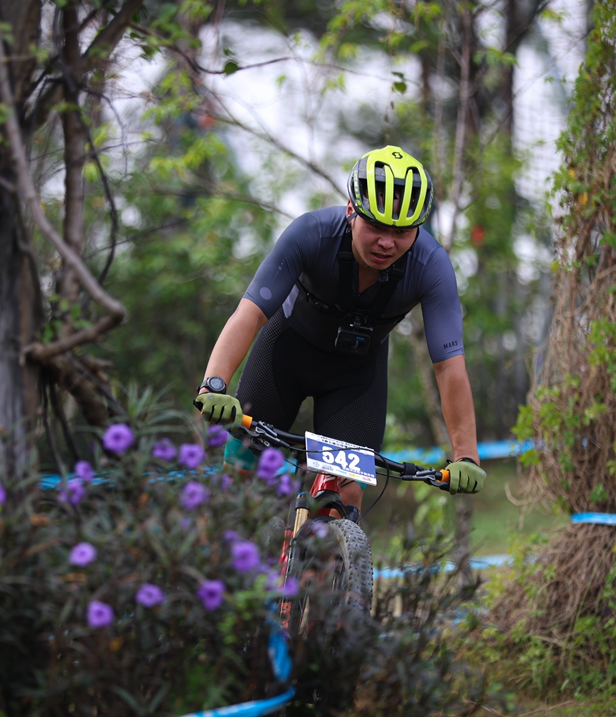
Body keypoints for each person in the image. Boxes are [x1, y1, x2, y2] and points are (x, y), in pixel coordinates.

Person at [195, 146, 485, 512]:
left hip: (354, 377)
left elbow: (448, 364)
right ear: (351, 210)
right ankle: (222, 564)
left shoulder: (431, 265)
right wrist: (215, 384)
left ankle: (328, 566)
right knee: (240, 472)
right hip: (285, 355)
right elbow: (251, 312)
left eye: (401, 231)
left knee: (344, 495)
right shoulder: (311, 233)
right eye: (376, 226)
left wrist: (466, 456)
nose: (386, 242)